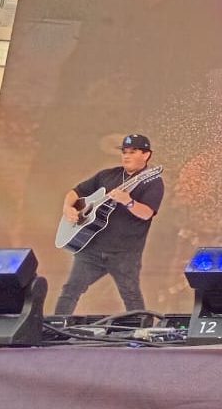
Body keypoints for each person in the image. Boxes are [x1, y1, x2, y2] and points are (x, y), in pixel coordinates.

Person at [53, 134, 165, 315]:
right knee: (70, 290)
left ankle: (140, 329)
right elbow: (75, 192)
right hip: (91, 249)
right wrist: (67, 208)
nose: (126, 156)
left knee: (131, 295)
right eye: (124, 152)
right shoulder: (107, 175)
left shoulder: (152, 182)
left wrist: (128, 201)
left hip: (125, 253)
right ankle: (57, 326)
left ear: (146, 155)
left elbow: (147, 214)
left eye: (132, 152)